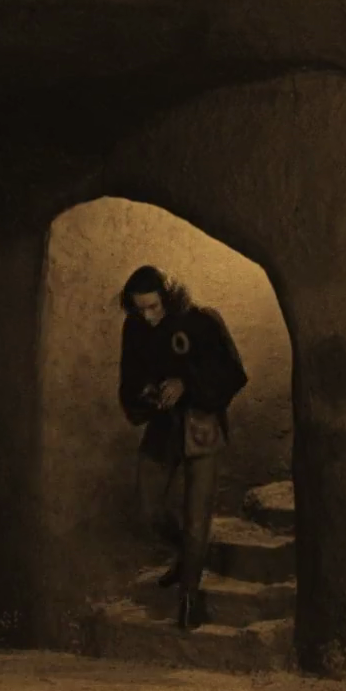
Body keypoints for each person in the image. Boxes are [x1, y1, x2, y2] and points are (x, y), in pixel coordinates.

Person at [117, 265, 248, 631]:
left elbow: (233, 373)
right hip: (163, 429)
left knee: (197, 517)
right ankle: (187, 555)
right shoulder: (135, 329)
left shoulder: (200, 321)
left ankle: (189, 597)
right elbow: (129, 382)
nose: (148, 316)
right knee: (148, 507)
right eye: (140, 308)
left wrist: (186, 383)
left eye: (153, 306)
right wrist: (147, 391)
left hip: (202, 428)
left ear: (168, 297)